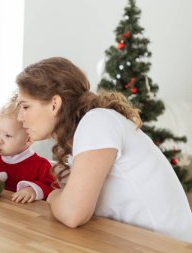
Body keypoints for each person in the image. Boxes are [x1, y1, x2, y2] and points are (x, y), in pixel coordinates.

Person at [15, 56, 192, 242]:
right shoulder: (88, 130)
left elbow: (72, 214)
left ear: (54, 104)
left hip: (170, 246)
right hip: (139, 243)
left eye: (25, 106)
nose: (20, 117)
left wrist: (52, 196)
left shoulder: (97, 122)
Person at [0, 95, 59, 204]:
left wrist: (33, 190)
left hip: (26, 217)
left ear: (29, 139)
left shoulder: (41, 165)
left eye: (8, 136)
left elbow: (53, 190)